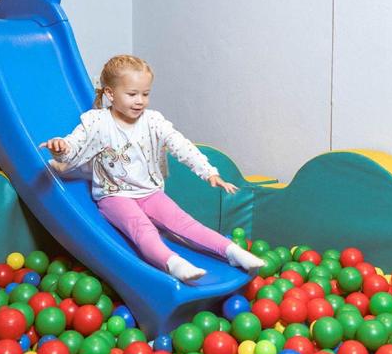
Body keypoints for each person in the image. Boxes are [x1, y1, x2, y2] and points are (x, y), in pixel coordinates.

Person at [40, 55, 264, 282]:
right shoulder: (97, 122)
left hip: (150, 192)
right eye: (132, 94)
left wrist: (209, 172)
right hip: (115, 197)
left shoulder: (153, 121)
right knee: (143, 229)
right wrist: (60, 148)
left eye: (145, 94)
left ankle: (232, 252)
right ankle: (173, 263)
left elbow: (180, 145)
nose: (140, 101)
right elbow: (74, 145)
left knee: (185, 223)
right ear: (110, 94)